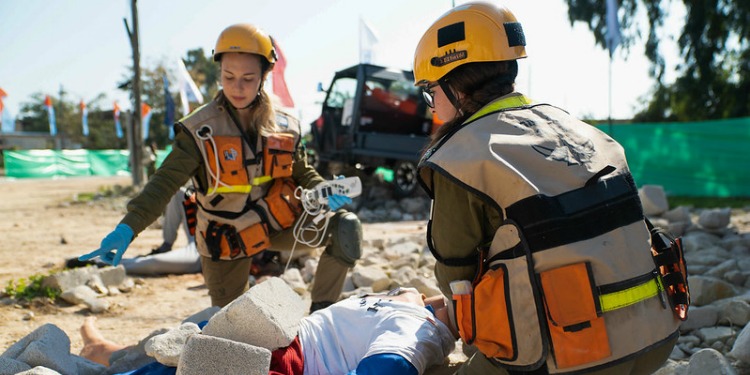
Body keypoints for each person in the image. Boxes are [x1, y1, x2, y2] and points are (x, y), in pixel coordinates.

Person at [412, 2, 686, 374]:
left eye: (430, 91)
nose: (432, 102)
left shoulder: (460, 158)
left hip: (570, 356)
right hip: (658, 337)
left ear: (453, 85)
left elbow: (455, 280)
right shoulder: (583, 129)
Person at [80, 23, 362, 311]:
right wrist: (129, 227)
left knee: (344, 227)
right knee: (231, 330)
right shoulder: (199, 130)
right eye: (229, 76)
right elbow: (164, 183)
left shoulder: (285, 125)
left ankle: (321, 318)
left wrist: (323, 191)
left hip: (277, 221)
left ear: (265, 76)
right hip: (226, 238)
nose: (237, 87)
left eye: (248, 78)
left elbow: (303, 173)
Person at [79, 287, 457, 375]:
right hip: (281, 334)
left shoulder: (418, 331)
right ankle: (107, 354)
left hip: (288, 357)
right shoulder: (413, 305)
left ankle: (105, 356)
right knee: (186, 347)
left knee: (192, 357)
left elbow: (387, 366)